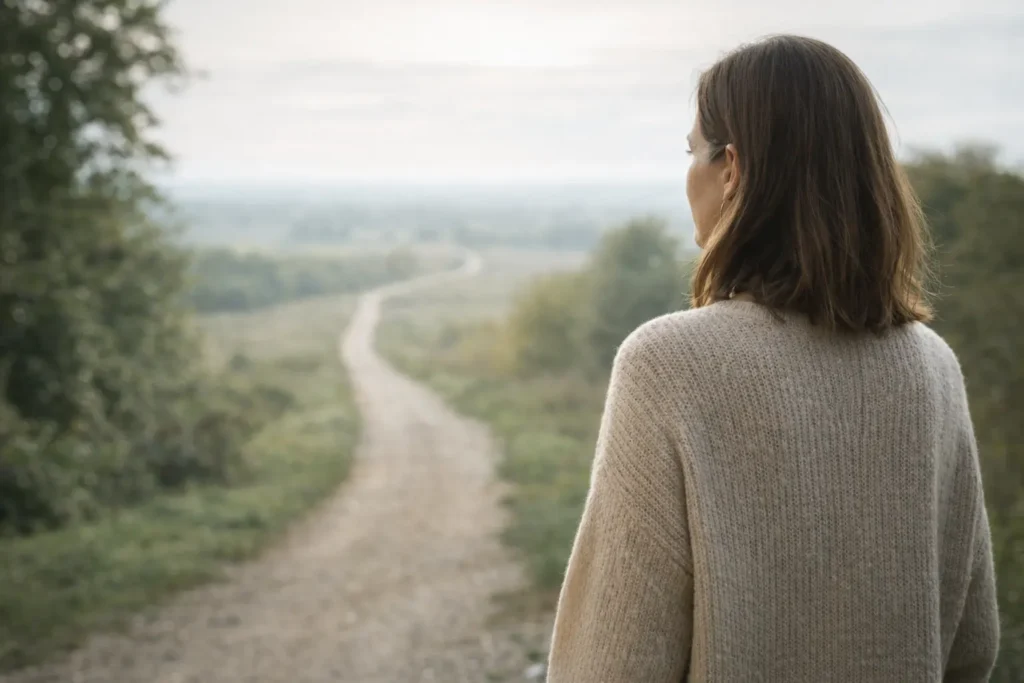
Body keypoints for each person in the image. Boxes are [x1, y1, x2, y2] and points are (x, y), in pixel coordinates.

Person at [546, 35, 1000, 682]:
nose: (689, 177)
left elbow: (613, 660)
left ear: (731, 167)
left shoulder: (669, 363)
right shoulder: (932, 368)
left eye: (691, 152)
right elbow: (973, 645)